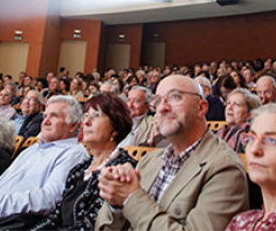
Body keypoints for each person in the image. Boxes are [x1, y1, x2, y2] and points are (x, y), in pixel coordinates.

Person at [95, 74, 249, 231]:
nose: (162, 107)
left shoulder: (224, 168)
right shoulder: (149, 161)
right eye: (158, 100)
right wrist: (116, 202)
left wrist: (131, 198)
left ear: (201, 107)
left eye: (175, 97)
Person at [0, 96, 89, 231]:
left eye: (54, 116)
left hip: (10, 222)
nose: (46, 121)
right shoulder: (30, 150)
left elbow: (49, 198)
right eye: (45, 115)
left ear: (73, 125)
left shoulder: (74, 153)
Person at [34, 93, 135, 231]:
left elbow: (92, 225)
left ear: (115, 128)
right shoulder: (80, 168)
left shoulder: (121, 168)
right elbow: (55, 216)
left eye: (96, 116)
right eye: (86, 115)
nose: (86, 122)